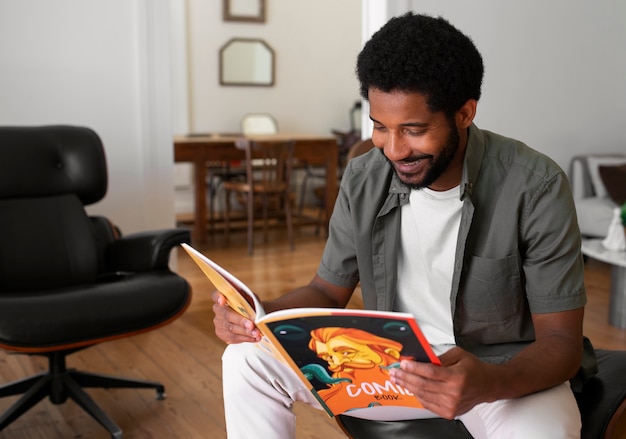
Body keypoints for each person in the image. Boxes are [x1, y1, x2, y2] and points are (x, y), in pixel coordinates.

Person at [211, 12, 596, 438]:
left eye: (413, 130)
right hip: (390, 366)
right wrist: (257, 316)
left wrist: (488, 382)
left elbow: (562, 344)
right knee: (244, 358)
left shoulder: (535, 186)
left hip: (497, 374)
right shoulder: (363, 177)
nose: (393, 150)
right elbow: (326, 291)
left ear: (465, 114)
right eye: (380, 127)